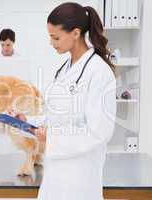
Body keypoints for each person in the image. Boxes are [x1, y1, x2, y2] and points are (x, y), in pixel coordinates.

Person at [10, 2, 116, 200]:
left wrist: (52, 138)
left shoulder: (99, 73)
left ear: (76, 33)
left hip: (80, 180)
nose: (51, 42)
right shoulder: (64, 69)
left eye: (55, 37)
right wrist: (28, 120)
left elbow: (99, 133)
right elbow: (56, 117)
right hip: (55, 178)